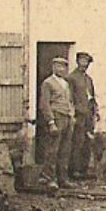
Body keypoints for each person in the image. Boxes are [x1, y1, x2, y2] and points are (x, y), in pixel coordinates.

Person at [37, 56, 76, 189]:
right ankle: (49, 178)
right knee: (52, 150)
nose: (61, 69)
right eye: (58, 66)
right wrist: (51, 122)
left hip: (67, 118)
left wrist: (72, 116)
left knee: (65, 150)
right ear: (53, 68)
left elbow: (69, 101)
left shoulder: (65, 83)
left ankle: (63, 178)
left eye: (63, 67)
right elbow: (44, 104)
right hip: (56, 117)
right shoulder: (48, 83)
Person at [66, 52, 98, 181]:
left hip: (89, 114)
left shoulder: (88, 79)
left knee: (87, 141)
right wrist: (72, 112)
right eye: (82, 61)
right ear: (77, 62)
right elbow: (70, 97)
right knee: (77, 141)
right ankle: (74, 170)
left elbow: (92, 96)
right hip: (79, 113)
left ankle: (84, 169)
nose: (84, 65)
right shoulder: (72, 78)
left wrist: (96, 110)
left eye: (87, 63)